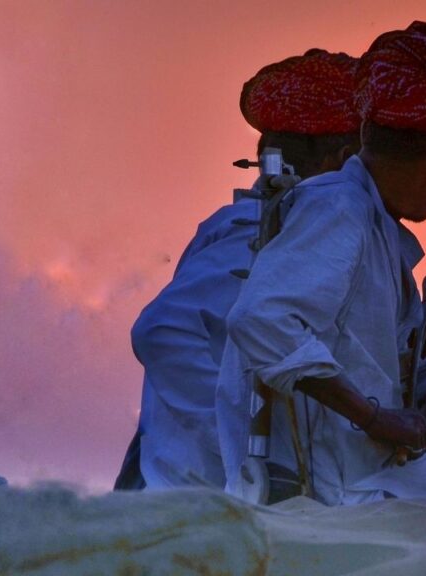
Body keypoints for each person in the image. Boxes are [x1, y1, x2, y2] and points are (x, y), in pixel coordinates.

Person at [216, 21, 426, 506]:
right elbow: (262, 321)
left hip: (369, 481)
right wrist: (373, 419)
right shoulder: (338, 207)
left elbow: (402, 406)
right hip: (333, 496)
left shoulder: (375, 230)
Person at [114, 49, 363, 490]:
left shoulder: (283, 229)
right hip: (201, 508)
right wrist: (239, 449)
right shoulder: (258, 234)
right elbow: (163, 330)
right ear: (338, 160)